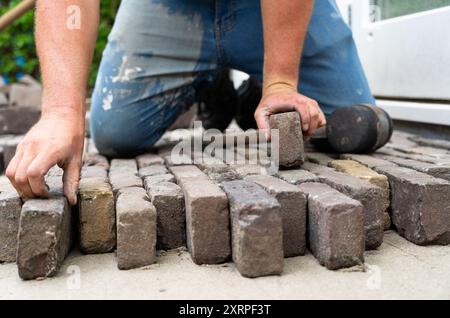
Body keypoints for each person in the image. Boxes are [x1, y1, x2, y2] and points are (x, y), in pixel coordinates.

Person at [6, 0, 375, 205]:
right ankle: (209, 84)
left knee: (349, 122)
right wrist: (61, 112)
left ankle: (260, 92)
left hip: (269, 9)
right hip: (168, 7)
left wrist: (281, 80)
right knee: (116, 134)